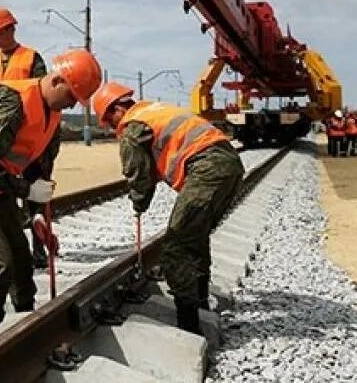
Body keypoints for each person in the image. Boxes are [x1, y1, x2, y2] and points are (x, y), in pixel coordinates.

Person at [0, 49, 102, 347]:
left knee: (21, 261)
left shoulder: (51, 116)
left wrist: (37, 214)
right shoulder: (12, 102)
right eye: (71, 96)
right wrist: (26, 191)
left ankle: (25, 328)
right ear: (56, 81)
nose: (71, 105)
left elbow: (37, 169)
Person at [92, 81, 245, 334]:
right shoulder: (152, 110)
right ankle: (201, 303)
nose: (112, 129)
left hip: (208, 168)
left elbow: (138, 173)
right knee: (194, 237)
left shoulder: (132, 125)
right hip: (228, 164)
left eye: (109, 122)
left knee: (177, 247)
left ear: (117, 109)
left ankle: (189, 326)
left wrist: (139, 202)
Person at [0, 6, 51, 269]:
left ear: (12, 28)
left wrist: (45, 144)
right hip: (0, 139)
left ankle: (39, 248)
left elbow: (45, 97)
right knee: (2, 188)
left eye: (1, 32)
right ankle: (14, 242)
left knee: (35, 192)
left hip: (29, 139)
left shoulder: (32, 58)